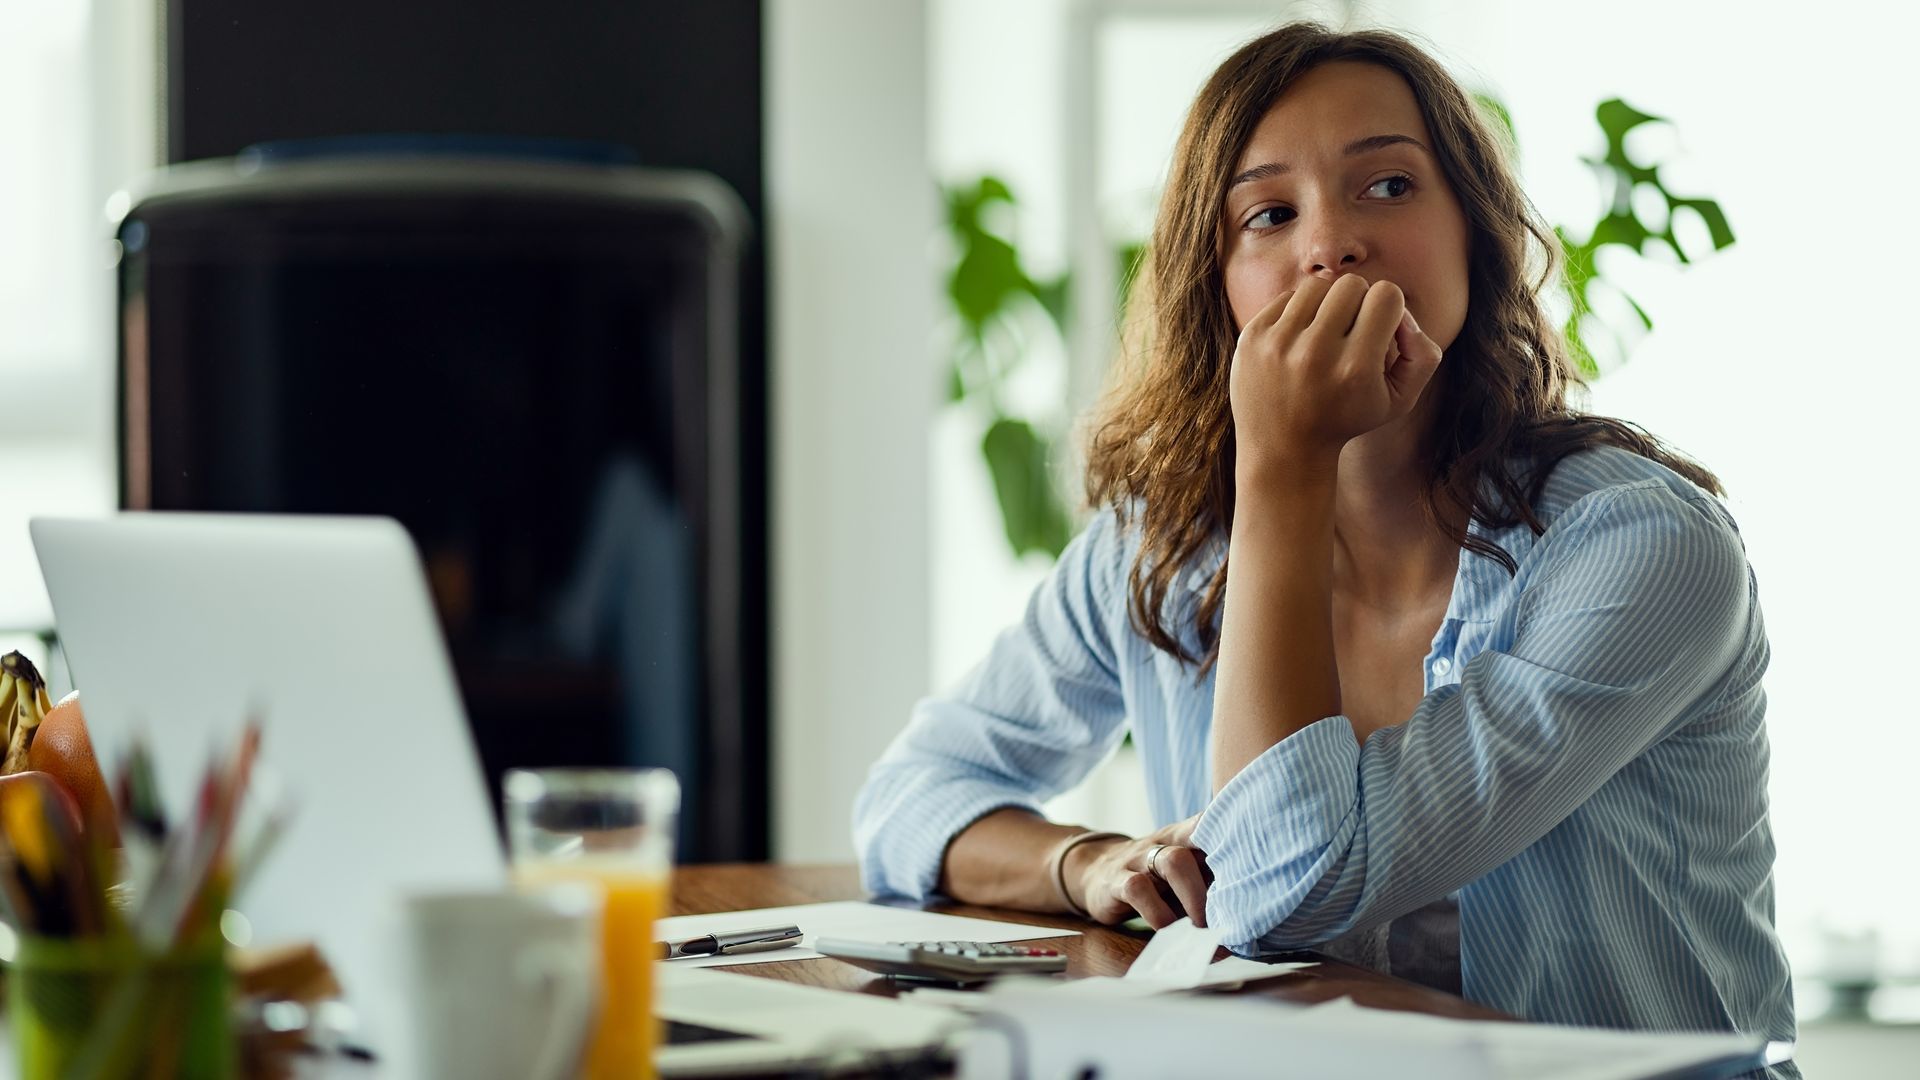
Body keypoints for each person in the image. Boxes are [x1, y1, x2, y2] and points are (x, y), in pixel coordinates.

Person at [854, 19, 1795, 1067]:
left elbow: (1278, 896)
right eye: (1269, 214)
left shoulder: (1639, 549)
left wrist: (1283, 468)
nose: (1330, 244)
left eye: (1388, 187)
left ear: (1475, 234)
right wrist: (1087, 863)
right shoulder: (1161, 547)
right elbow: (908, 800)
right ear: (1218, 285)